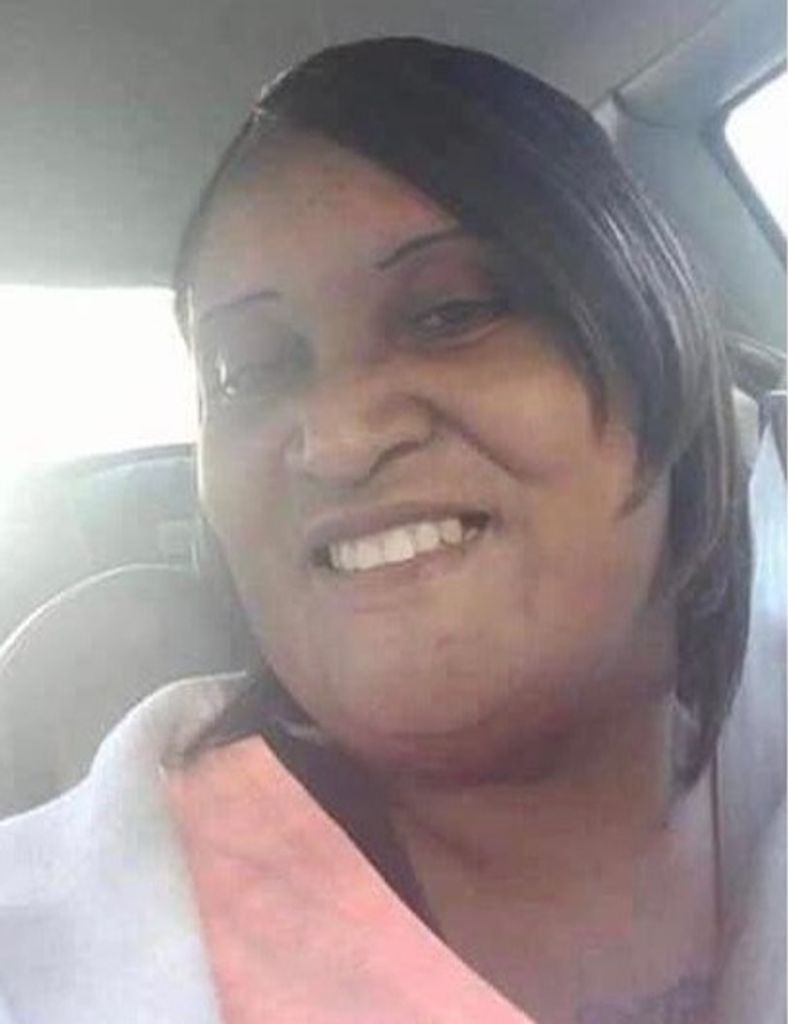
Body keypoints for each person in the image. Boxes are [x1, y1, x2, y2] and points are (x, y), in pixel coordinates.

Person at [0, 37, 783, 1024]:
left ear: (657, 335)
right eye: (248, 370)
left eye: (451, 313)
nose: (337, 440)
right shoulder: (64, 941)